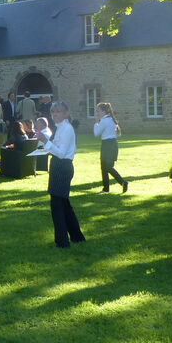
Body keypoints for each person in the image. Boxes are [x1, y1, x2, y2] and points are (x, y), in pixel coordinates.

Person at [44, 102, 85, 248]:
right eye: (53, 112)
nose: (55, 114)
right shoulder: (59, 128)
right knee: (64, 204)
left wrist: (45, 143)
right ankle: (77, 236)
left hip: (63, 167)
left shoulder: (67, 129)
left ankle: (62, 241)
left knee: (57, 206)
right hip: (57, 165)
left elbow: (61, 153)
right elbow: (57, 149)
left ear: (66, 113)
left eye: (58, 111)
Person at [93, 102, 128, 193]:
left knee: (106, 167)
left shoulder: (104, 121)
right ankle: (106, 188)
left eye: (98, 111)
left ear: (104, 111)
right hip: (113, 144)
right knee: (106, 167)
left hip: (107, 145)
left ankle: (122, 182)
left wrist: (96, 123)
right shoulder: (112, 119)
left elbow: (96, 133)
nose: (97, 113)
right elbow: (118, 134)